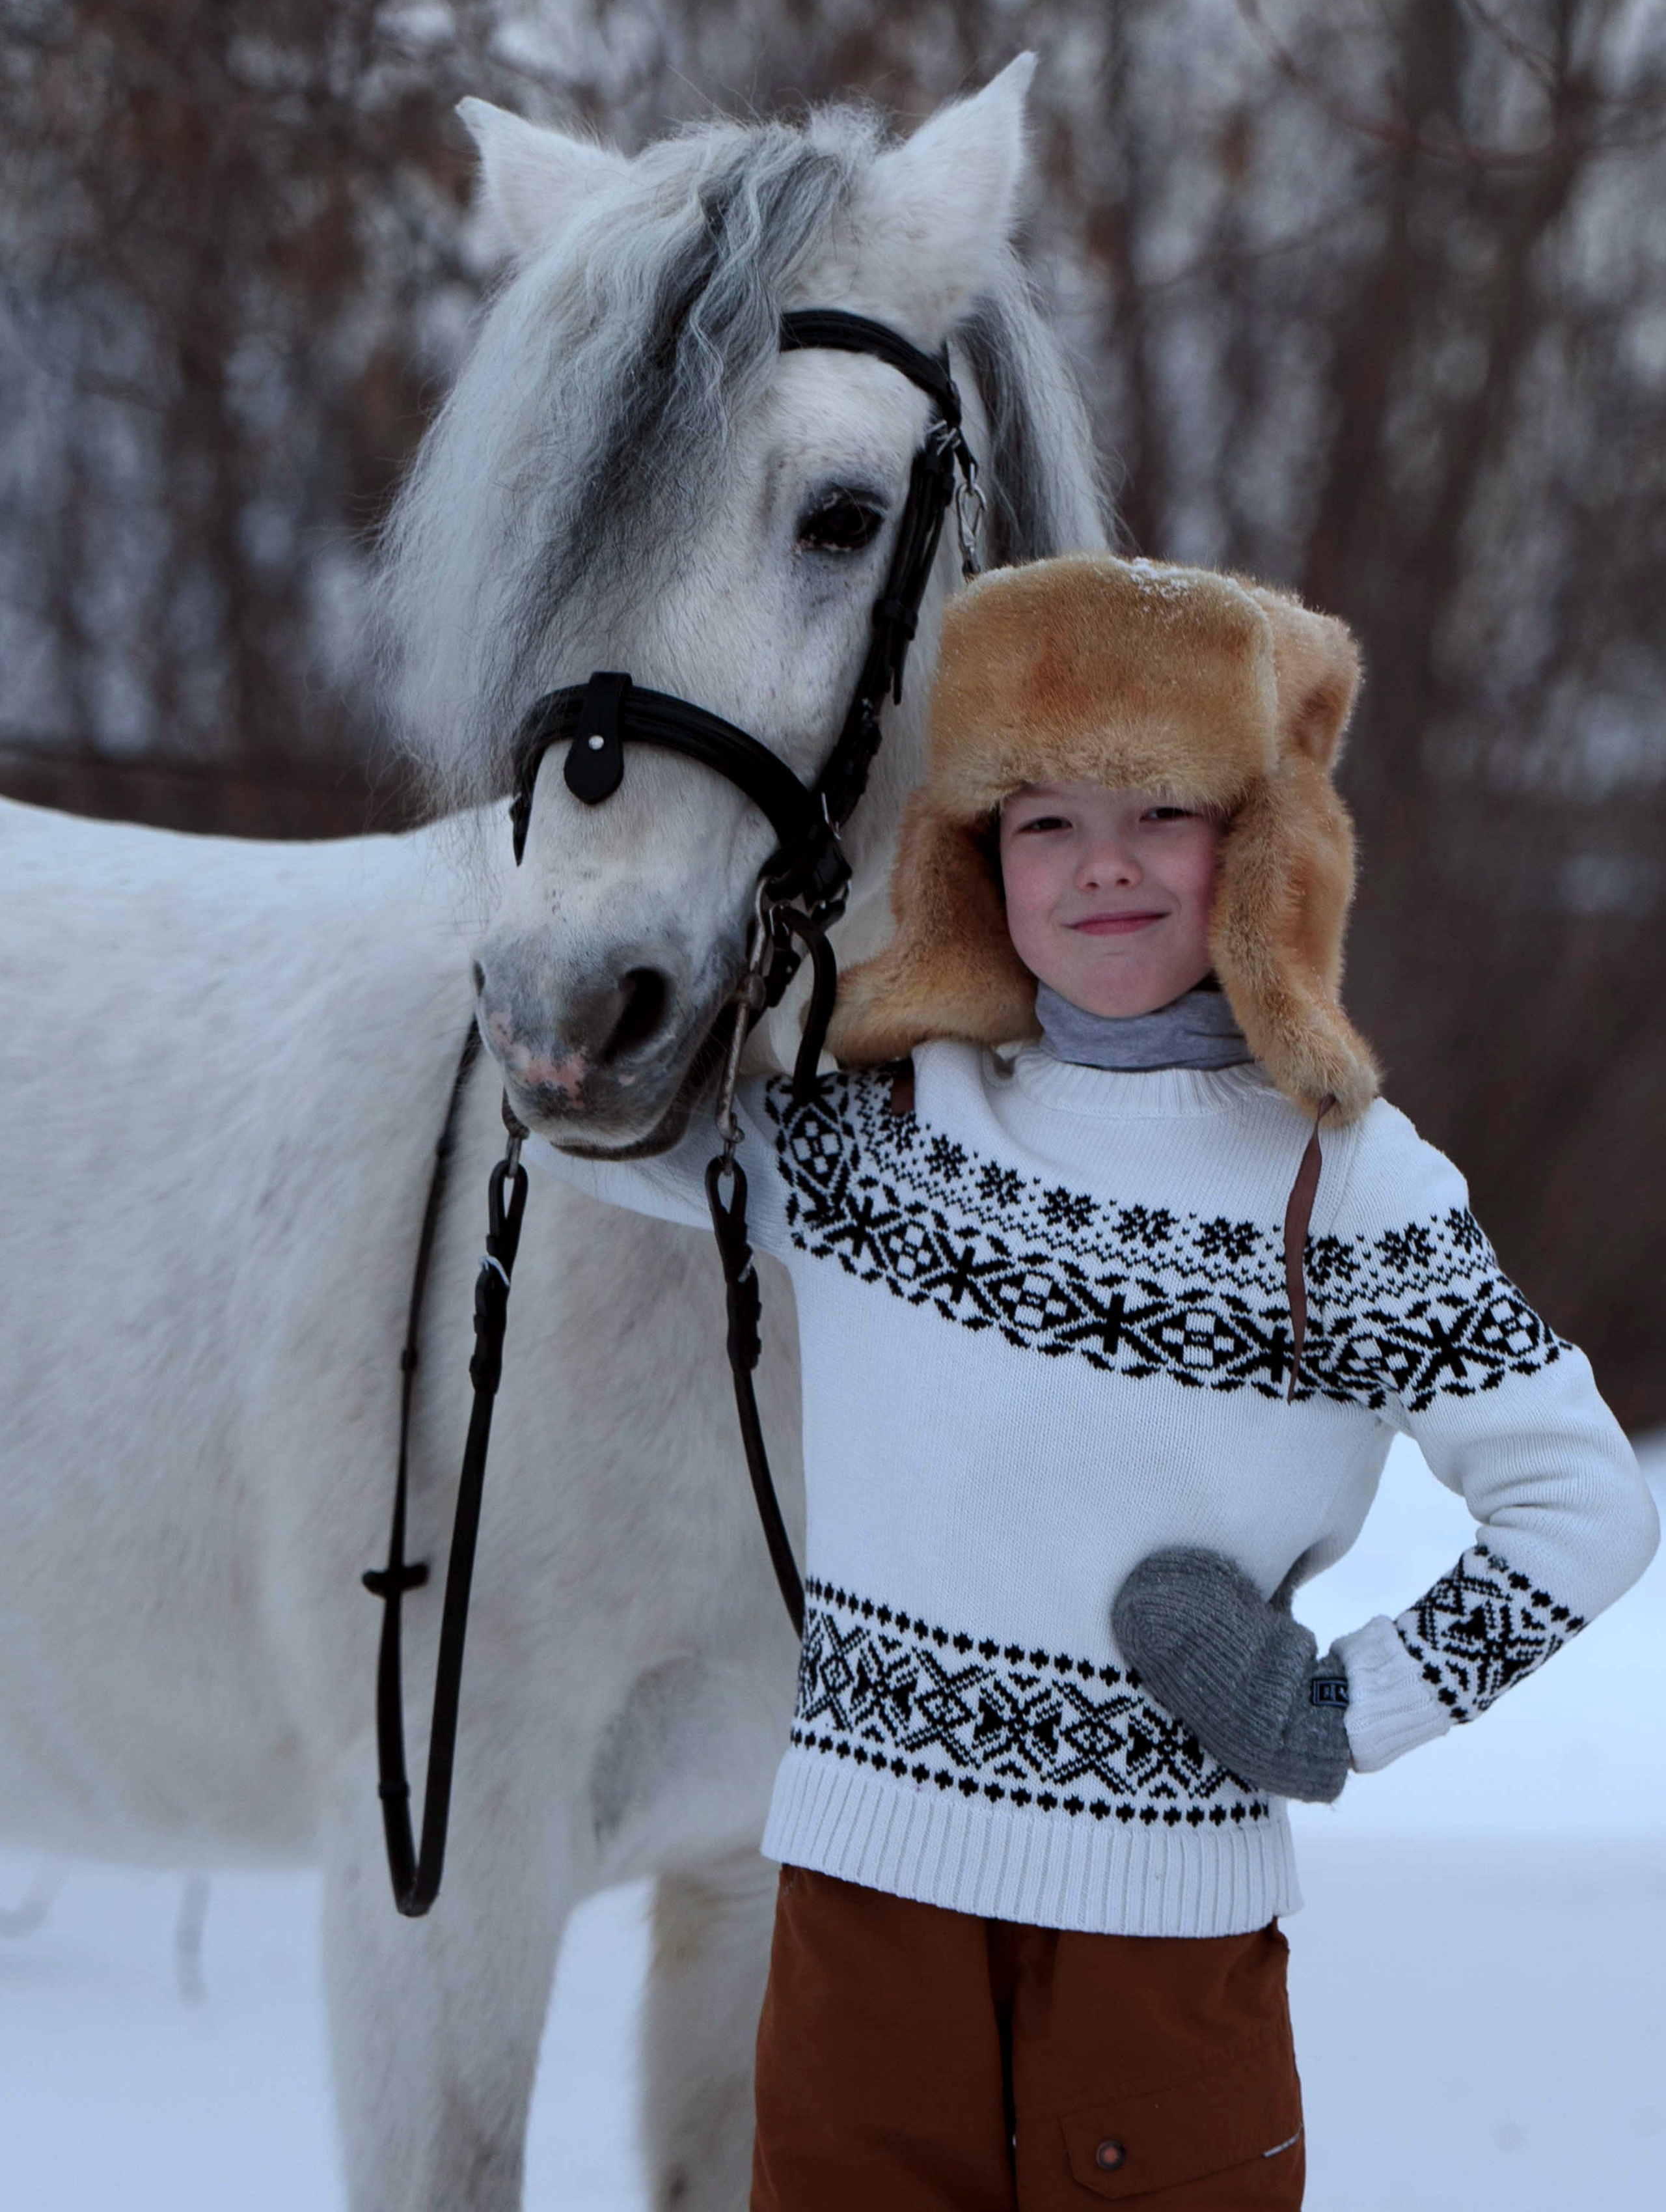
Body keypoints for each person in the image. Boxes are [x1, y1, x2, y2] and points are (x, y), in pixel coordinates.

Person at [528, 555, 1658, 2209]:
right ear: (976, 859)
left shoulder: (1344, 1189)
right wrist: (645, 876)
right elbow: (581, 1099)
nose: (1101, 865)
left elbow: (1582, 1506)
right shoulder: (885, 1130)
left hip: (1162, 1949)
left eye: (1161, 813)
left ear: (1257, 847)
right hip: (858, 1925)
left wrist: (1339, 1713)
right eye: (1043, 820)